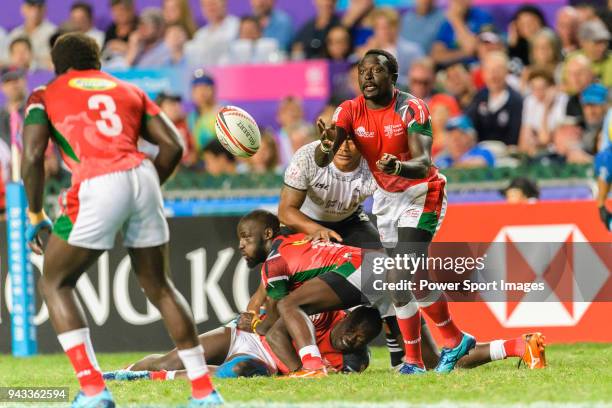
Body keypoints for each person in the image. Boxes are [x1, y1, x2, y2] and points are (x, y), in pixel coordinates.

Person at [20, 33, 222, 407]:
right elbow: (174, 144)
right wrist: (146, 188)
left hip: (97, 181)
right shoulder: (128, 89)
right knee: (160, 286)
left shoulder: (45, 94)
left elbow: (32, 155)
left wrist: (35, 213)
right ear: (96, 64)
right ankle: (204, 391)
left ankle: (94, 390)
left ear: (57, 66)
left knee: (55, 280)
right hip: (142, 177)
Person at [315, 49, 475, 375]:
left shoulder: (411, 108)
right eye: (363, 71)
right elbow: (323, 159)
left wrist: (399, 164)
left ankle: (413, 363)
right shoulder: (349, 110)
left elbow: (423, 163)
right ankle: (455, 339)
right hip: (386, 199)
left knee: (398, 275)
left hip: (421, 193)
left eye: (377, 71)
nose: (368, 77)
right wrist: (325, 146)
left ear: (394, 77)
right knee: (409, 280)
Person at [280, 138, 440, 369]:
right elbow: (285, 212)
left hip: (350, 221)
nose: (344, 147)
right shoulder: (306, 157)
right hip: (304, 223)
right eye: (339, 141)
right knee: (281, 276)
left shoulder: (375, 161)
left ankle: (402, 354)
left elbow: (406, 195)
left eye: (352, 142)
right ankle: (270, 343)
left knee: (390, 272)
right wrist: (316, 230)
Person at [103, 307, 379, 380]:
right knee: (172, 359)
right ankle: (125, 371)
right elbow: (274, 333)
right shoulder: (324, 314)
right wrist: (299, 371)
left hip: (266, 362)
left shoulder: (354, 360)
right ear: (346, 317)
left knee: (231, 373)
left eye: (360, 338)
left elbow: (335, 377)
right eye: (353, 328)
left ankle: (144, 379)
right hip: (247, 335)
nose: (352, 338)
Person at [466, 52, 523, 146]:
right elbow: (469, 125)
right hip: (480, 152)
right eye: (489, 71)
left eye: (498, 70)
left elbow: (515, 135)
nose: (493, 75)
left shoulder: (516, 100)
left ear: (506, 72)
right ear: (483, 74)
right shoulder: (479, 97)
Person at [357, 7, 423, 87]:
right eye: (380, 28)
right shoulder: (368, 51)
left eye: (388, 26)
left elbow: (420, 77)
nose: (385, 31)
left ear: (396, 27)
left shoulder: (412, 50)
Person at [292, 0, 372, 60]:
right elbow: (296, 48)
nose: (327, 2)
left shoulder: (343, 23)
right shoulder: (307, 27)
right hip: (309, 72)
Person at [518, 68, 568, 156]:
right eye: (534, 88)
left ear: (552, 87)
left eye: (542, 88)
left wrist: (546, 107)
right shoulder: (530, 101)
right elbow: (524, 140)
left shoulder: (562, 101)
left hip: (557, 153)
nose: (538, 93)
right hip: (536, 151)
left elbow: (545, 138)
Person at [430, 0, 493, 66]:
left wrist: (456, 19)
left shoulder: (481, 17)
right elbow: (437, 56)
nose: (459, 3)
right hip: (454, 68)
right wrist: (464, 53)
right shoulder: (446, 24)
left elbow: (472, 48)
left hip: (478, 65)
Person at [186, 0, 240, 67]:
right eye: (206, 5)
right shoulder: (200, 35)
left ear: (223, 3)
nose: (210, 8)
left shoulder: (237, 26)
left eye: (213, 4)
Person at [7, 0, 56, 70]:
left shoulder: (54, 33)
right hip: (17, 75)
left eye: (39, 7)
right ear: (23, 9)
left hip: (44, 75)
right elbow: (6, 59)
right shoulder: (15, 33)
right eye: (31, 7)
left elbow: (57, 62)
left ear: (45, 10)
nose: (35, 12)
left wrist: (33, 59)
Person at [156, 91, 197, 167]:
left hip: (187, 169)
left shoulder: (187, 124)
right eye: (171, 104)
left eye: (177, 103)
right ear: (160, 107)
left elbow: (193, 150)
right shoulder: (154, 128)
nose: (176, 107)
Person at [188, 70, 220, 153]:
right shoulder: (191, 117)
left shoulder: (223, 112)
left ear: (213, 90)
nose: (201, 93)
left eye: (205, 88)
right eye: (197, 89)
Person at [574, 19, 611, 87]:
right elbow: (565, 86)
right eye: (597, 42)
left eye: (605, 42)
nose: (603, 47)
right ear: (583, 42)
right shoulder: (573, 60)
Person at [580, 83, 609, 154]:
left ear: (606, 106)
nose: (590, 111)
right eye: (586, 106)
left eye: (595, 105)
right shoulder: (579, 127)